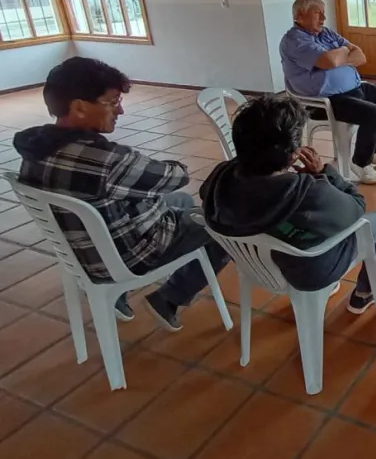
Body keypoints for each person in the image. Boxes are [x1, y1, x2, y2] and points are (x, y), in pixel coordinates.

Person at [12, 57, 229, 331]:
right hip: (125, 256)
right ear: (78, 107)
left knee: (181, 202)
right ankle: (169, 298)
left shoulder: (33, 149)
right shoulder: (108, 162)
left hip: (81, 250)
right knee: (224, 226)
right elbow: (177, 176)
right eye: (113, 102)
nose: (121, 111)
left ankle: (120, 296)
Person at [199, 95, 376, 313]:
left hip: (258, 267)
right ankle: (363, 293)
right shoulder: (308, 192)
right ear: (294, 155)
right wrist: (323, 173)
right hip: (309, 273)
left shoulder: (222, 176)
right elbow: (357, 205)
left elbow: (205, 192)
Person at [280, 0, 376, 185]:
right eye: (318, 13)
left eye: (323, 13)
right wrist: (343, 52)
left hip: (354, 88)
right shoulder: (294, 41)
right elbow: (329, 61)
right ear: (300, 15)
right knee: (375, 114)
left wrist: (339, 57)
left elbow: (360, 56)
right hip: (322, 100)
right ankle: (360, 162)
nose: (323, 19)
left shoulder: (326, 33)